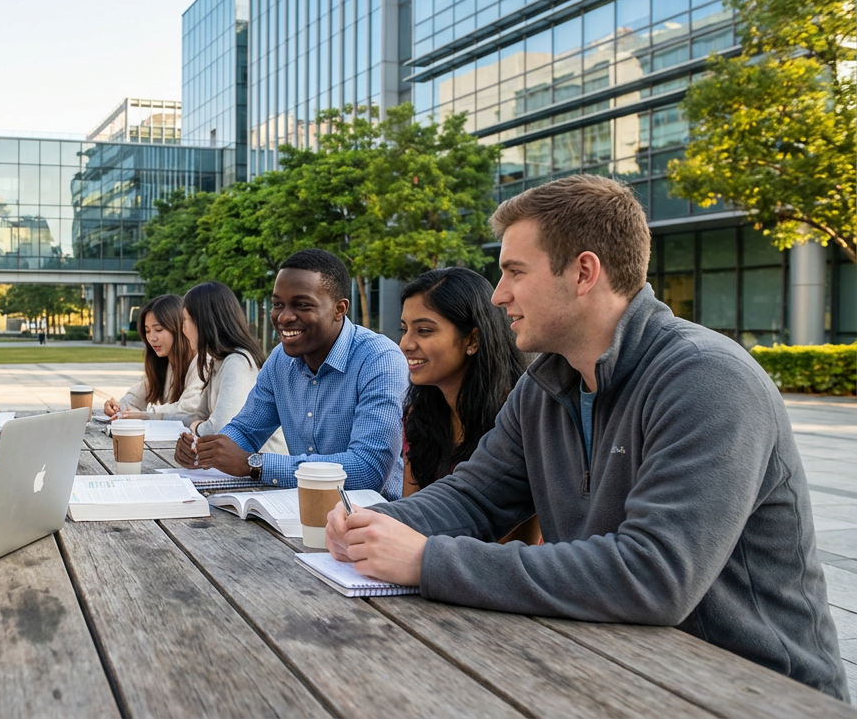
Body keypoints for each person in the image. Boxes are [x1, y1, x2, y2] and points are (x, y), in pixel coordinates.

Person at [325, 175, 847, 700]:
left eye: (514, 272)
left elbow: (653, 576)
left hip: (751, 691)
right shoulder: (545, 383)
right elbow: (475, 496)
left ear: (583, 272)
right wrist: (374, 523)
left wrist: (427, 560)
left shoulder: (707, 379)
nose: (499, 294)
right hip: (618, 667)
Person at [177, 249, 408, 497]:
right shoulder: (280, 360)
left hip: (370, 518)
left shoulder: (380, 359)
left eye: (302, 305)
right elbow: (246, 430)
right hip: (296, 510)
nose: (284, 317)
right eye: (278, 304)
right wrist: (206, 449)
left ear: (339, 309)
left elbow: (368, 470)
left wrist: (255, 464)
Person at [397, 267, 537, 544]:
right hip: (427, 565)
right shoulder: (419, 413)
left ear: (472, 340)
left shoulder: (517, 413)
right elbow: (409, 515)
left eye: (424, 330)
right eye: (404, 329)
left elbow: (516, 544)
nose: (405, 344)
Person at [177, 281, 286, 454]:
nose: (182, 329)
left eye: (185, 321)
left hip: (262, 468)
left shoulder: (237, 361)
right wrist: (145, 417)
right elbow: (199, 416)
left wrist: (197, 427)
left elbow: (220, 430)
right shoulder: (218, 360)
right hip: (238, 465)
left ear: (203, 322)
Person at [103, 294, 203, 420]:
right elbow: (135, 398)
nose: (151, 338)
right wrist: (117, 407)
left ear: (179, 328)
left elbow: (189, 409)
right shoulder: (163, 363)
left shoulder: (201, 362)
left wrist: (144, 415)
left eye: (159, 329)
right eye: (147, 331)